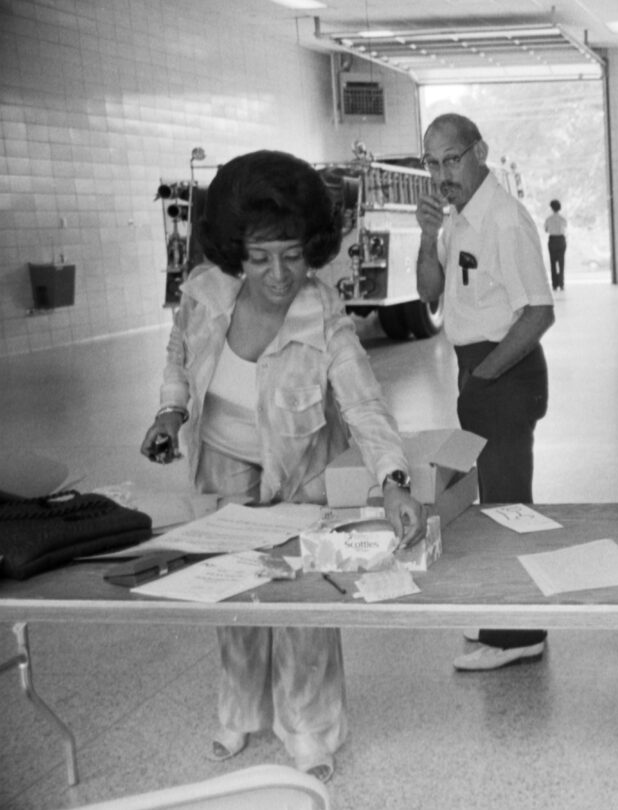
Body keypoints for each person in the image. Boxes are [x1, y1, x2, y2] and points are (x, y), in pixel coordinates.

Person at [140, 150, 425, 784]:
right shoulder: (203, 293)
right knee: (233, 590)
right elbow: (179, 357)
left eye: (292, 256)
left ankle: (311, 730)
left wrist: (394, 480)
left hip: (300, 469)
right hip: (221, 464)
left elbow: (363, 403)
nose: (277, 274)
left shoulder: (323, 313)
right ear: (235, 249)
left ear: (313, 250)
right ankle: (239, 712)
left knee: (300, 599)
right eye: (260, 257)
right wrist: (170, 412)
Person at [415, 113, 555, 671]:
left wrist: (486, 377)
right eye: (432, 163)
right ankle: (507, 618)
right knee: (495, 502)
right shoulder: (455, 220)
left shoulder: (503, 219)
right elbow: (430, 294)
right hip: (477, 370)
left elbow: (538, 313)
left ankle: (518, 634)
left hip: (505, 371)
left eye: (451, 159)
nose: (442, 173)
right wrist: (428, 239)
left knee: (508, 505)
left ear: (480, 152)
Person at [544, 199, 567, 291]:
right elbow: (565, 227)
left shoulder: (548, 219)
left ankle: (554, 284)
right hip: (561, 240)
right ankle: (561, 283)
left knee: (553, 263)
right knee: (561, 263)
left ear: (551, 208)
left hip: (552, 240)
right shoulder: (562, 219)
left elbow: (546, 230)